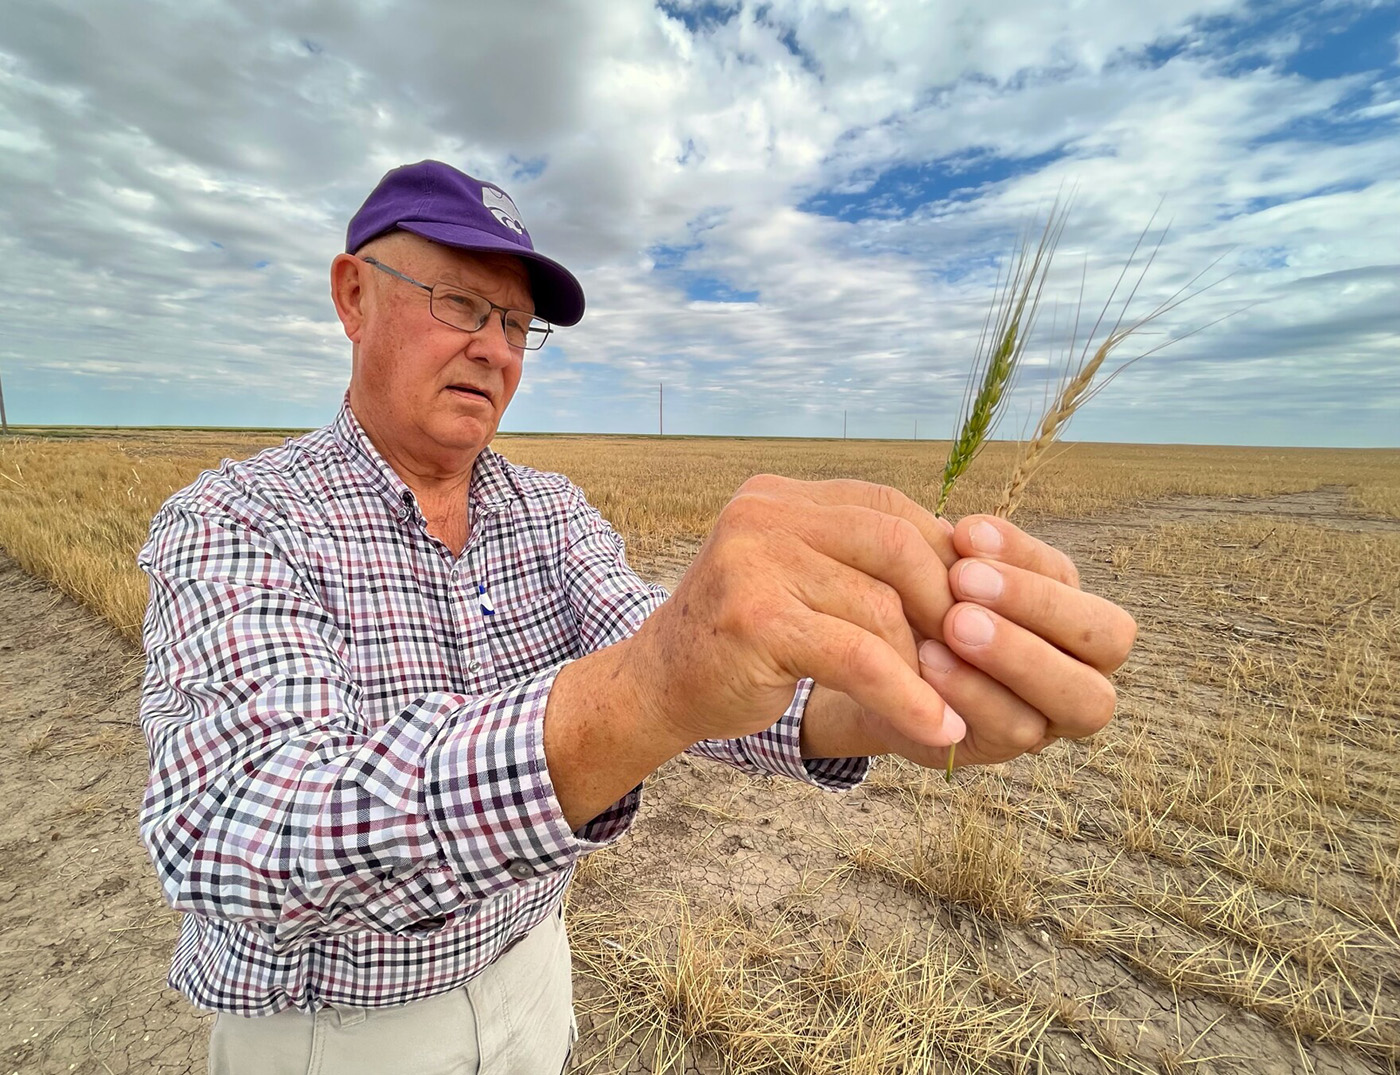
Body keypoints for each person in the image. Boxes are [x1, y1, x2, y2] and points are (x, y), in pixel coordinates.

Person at [137, 160, 1136, 1075]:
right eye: (459, 303)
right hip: (330, 1039)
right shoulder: (235, 520)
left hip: (532, 973)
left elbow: (682, 659)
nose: (492, 349)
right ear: (352, 296)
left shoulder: (550, 512)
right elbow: (236, 826)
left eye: (515, 325)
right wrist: (642, 691)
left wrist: (865, 702)